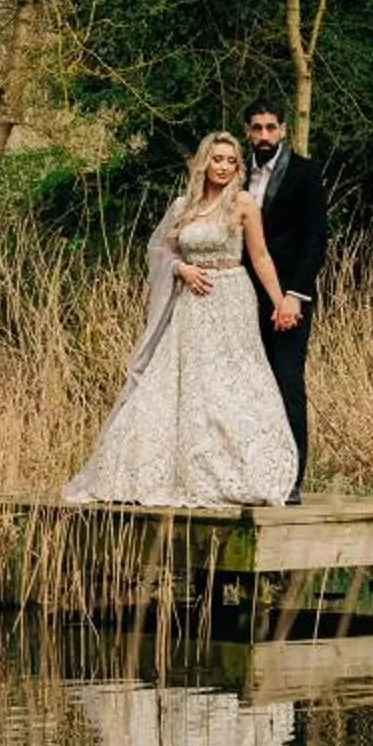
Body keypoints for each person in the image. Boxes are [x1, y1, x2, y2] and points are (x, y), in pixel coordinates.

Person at [62, 131, 299, 507]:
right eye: (217, 159)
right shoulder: (182, 206)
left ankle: (242, 468)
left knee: (231, 380)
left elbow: (260, 256)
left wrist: (279, 302)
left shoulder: (242, 203)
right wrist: (180, 268)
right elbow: (159, 251)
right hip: (191, 304)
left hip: (231, 297)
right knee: (188, 381)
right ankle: (174, 469)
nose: (224, 167)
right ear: (203, 163)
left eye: (231, 161)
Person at [243, 103, 325, 503]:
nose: (264, 135)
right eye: (257, 128)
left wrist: (294, 295)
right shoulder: (234, 172)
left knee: (287, 381)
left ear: (283, 130)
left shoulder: (305, 173)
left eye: (270, 128)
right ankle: (251, 474)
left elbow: (315, 237)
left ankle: (291, 477)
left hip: (290, 299)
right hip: (240, 297)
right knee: (246, 386)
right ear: (247, 131)